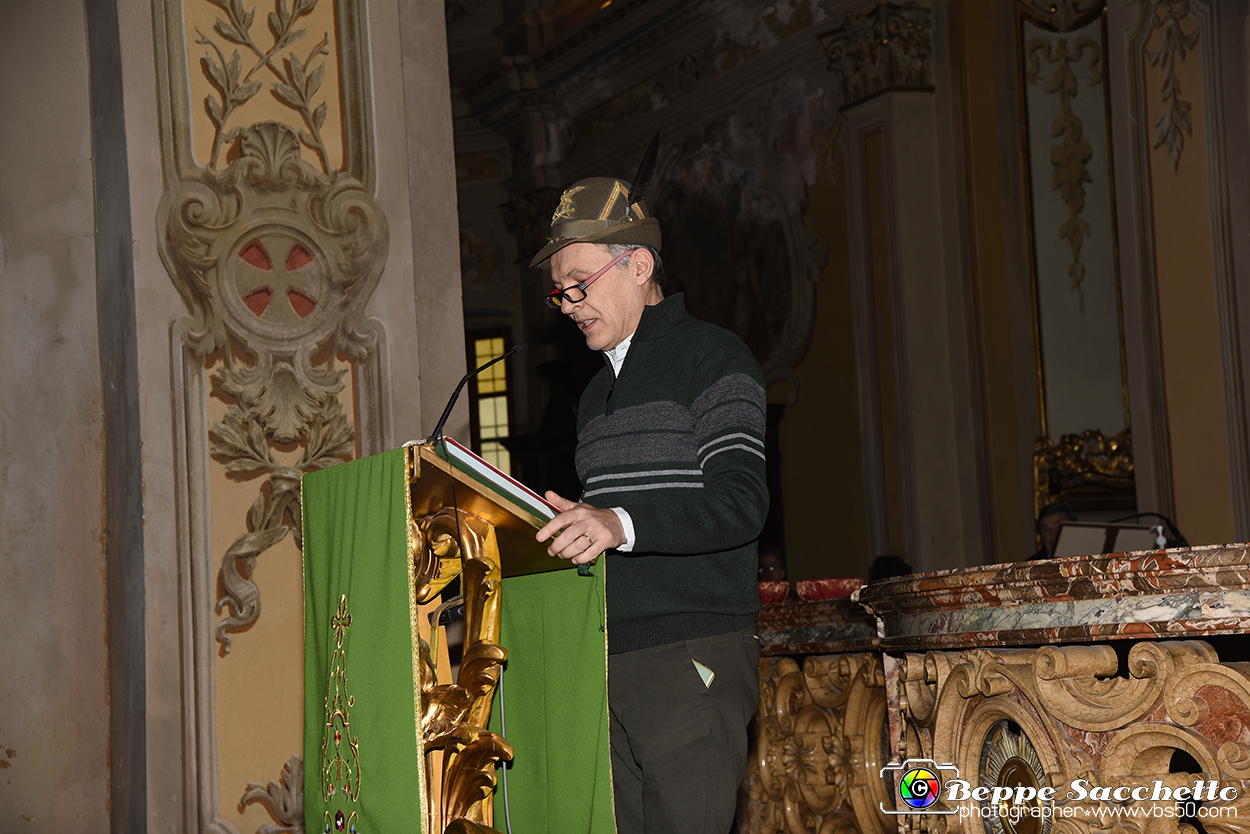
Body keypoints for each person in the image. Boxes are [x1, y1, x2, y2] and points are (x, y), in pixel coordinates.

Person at [532, 171, 769, 834]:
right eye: (560, 291)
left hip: (690, 654)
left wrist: (617, 523)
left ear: (637, 264)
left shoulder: (713, 357)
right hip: (606, 660)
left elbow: (742, 504)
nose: (569, 302)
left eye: (579, 282)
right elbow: (611, 527)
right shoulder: (591, 396)